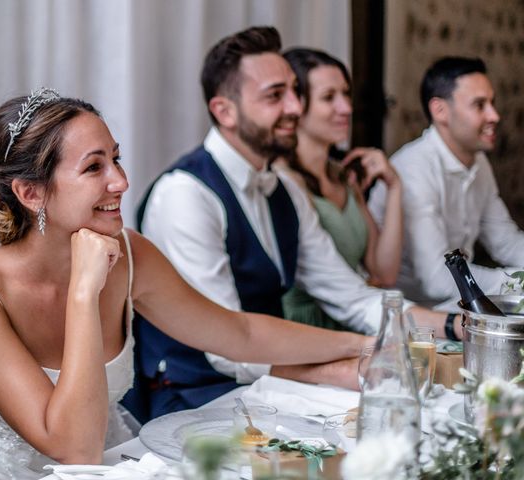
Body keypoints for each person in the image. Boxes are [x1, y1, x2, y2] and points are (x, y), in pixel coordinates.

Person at [0, 88, 374, 479]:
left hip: (116, 464)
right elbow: (75, 449)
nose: (121, 181)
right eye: (94, 167)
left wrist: (361, 345)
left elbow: (239, 334)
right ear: (31, 194)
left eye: (116, 158)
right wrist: (85, 293)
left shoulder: (129, 254)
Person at [131, 26, 456, 421]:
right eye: (275, 96)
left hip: (266, 387)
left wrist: (458, 325)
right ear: (224, 111)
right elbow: (227, 351)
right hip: (193, 398)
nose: (294, 108)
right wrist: (346, 368)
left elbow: (351, 297)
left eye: (294, 92)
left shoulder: (284, 188)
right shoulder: (185, 195)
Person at [368, 56, 524, 307]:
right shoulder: (414, 167)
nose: (494, 115)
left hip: (456, 305)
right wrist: (517, 282)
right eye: (479, 105)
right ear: (440, 110)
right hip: (407, 315)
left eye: (492, 103)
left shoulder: (478, 162)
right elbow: (437, 280)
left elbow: (505, 242)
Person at [273, 48, 403, 329]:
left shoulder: (344, 177)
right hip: (306, 329)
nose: (346, 108)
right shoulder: (283, 181)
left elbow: (384, 272)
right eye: (329, 98)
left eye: (346, 94)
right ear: (297, 104)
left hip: (355, 319)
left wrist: (394, 187)